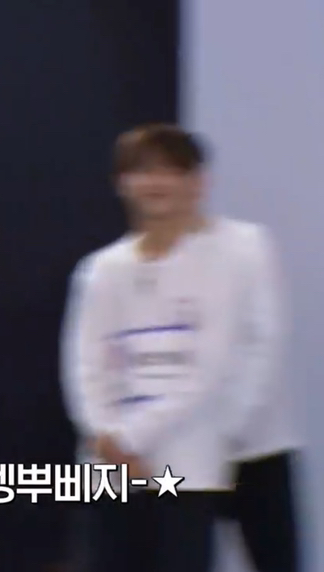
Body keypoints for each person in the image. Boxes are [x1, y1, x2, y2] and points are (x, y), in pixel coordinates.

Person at [61, 124, 294, 572]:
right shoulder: (101, 269)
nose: (156, 183)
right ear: (121, 183)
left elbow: (223, 361)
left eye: (170, 171)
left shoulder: (235, 252)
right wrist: (107, 435)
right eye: (143, 171)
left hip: (207, 447)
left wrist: (135, 436)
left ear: (198, 181)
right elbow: (84, 362)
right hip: (116, 462)